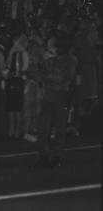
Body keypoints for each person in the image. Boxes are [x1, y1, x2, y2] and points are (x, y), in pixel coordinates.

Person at [36, 36, 77, 168]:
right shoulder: (70, 61)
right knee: (58, 127)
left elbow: (40, 76)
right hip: (60, 95)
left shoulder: (50, 62)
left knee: (46, 127)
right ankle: (56, 155)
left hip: (50, 94)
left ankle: (45, 155)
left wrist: (49, 79)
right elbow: (65, 79)